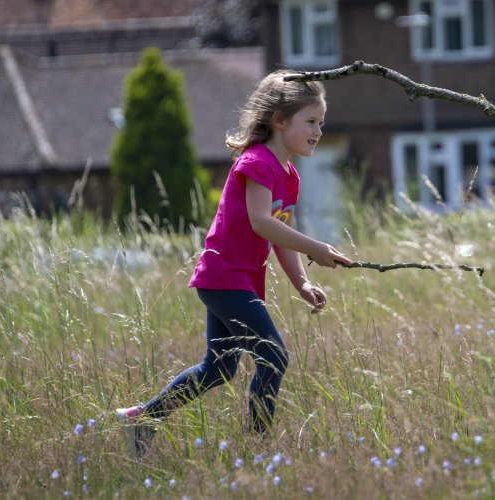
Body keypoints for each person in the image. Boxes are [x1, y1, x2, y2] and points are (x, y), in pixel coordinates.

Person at [115, 70, 351, 456]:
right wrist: (318, 246)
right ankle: (258, 450)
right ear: (279, 120)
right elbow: (261, 221)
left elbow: (277, 235)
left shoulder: (289, 176)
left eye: (321, 123)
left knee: (220, 369)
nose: (319, 131)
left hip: (236, 281)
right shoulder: (257, 162)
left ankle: (143, 419)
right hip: (224, 277)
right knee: (273, 356)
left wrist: (302, 283)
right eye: (310, 121)